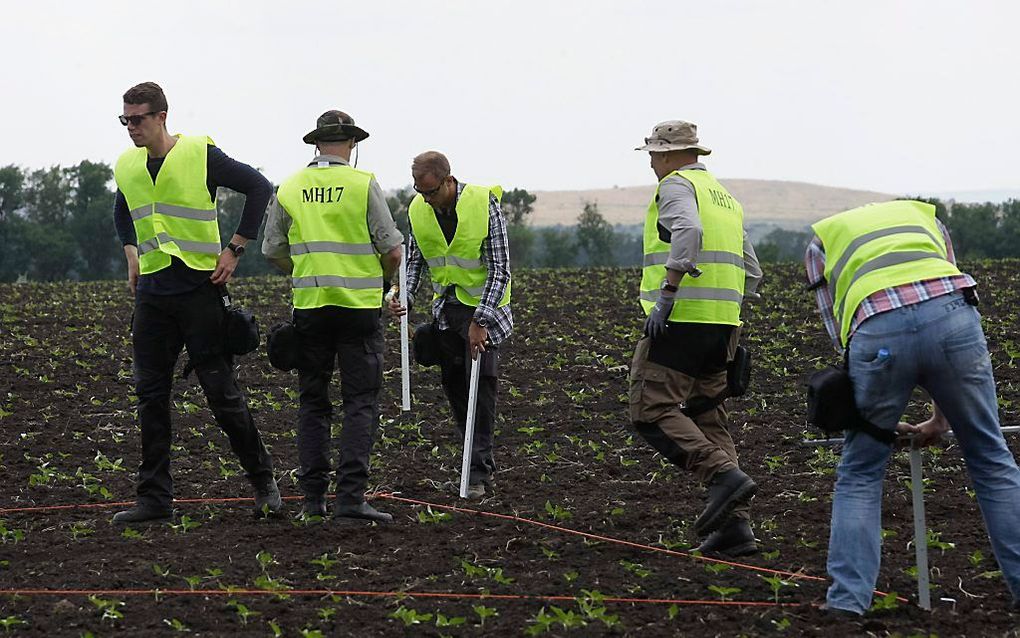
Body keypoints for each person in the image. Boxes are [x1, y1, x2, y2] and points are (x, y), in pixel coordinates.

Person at [806, 199, 1020, 615]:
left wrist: (875, 407)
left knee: (861, 472)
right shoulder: (926, 218)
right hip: (954, 321)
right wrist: (942, 417)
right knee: (992, 459)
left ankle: (846, 605)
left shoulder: (822, 240)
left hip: (877, 331)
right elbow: (945, 296)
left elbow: (838, 329)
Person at [111, 81, 279, 523]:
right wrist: (131, 251)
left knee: (222, 395)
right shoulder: (127, 165)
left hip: (200, 292)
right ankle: (153, 500)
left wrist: (236, 247)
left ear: (162, 117)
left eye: (139, 119)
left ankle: (264, 483)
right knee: (150, 396)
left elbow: (259, 187)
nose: (131, 128)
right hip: (152, 296)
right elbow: (121, 210)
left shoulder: (199, 153)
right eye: (125, 119)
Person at [629, 120, 763, 556]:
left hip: (681, 317)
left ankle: (723, 477)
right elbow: (752, 267)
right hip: (723, 322)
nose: (650, 161)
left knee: (650, 409)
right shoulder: (725, 197)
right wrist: (728, 313)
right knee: (707, 414)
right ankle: (735, 530)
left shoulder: (675, 186)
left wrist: (668, 294)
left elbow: (687, 232)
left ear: (668, 154)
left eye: (652, 153)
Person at [262, 110, 403, 523]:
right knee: (360, 402)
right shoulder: (362, 184)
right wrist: (380, 283)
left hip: (310, 310)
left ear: (315, 144)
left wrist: (304, 272)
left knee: (313, 403)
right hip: (358, 311)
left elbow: (272, 251)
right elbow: (392, 250)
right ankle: (351, 500)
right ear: (352, 145)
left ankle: (312, 501)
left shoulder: (290, 186)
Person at [388, 151, 511, 500]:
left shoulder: (483, 204)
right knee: (456, 389)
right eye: (419, 191)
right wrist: (403, 297)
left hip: (484, 312)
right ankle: (474, 470)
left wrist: (480, 321)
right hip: (446, 312)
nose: (425, 198)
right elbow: (414, 262)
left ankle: (478, 474)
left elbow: (500, 269)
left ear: (448, 180)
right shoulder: (418, 210)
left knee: (480, 392)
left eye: (430, 191)